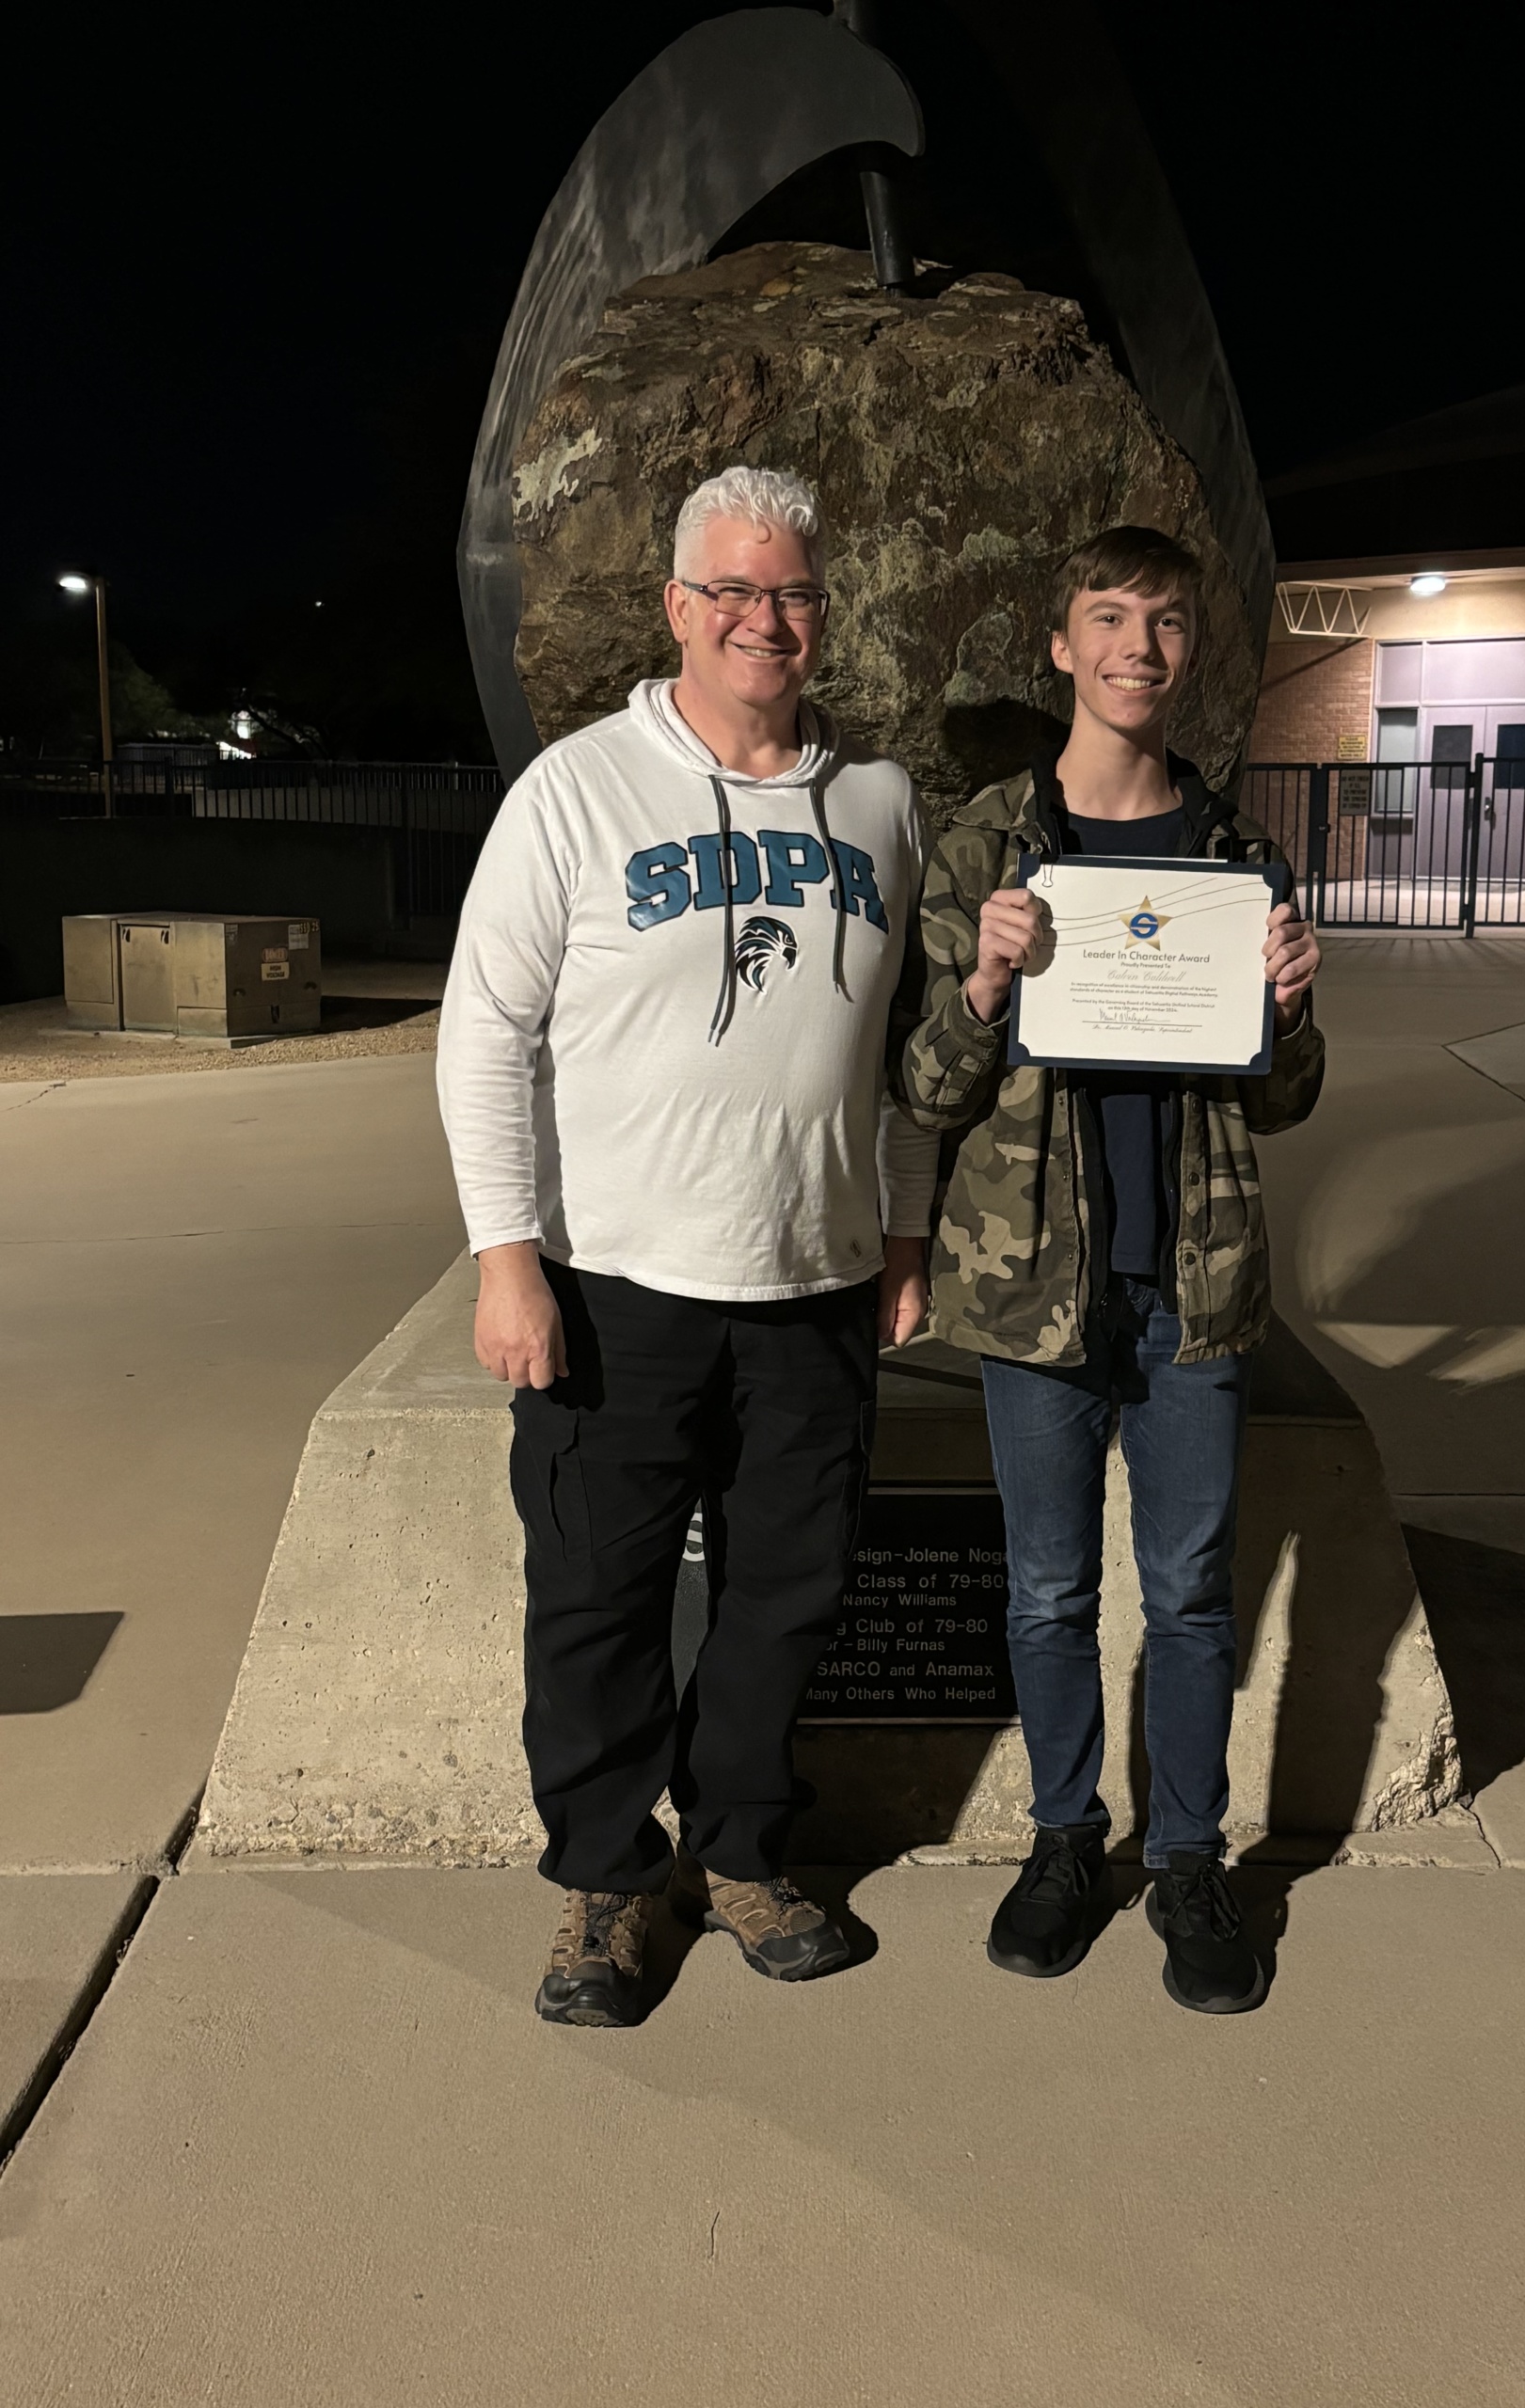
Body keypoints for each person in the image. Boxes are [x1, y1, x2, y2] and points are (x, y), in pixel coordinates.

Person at [438, 466, 936, 2027]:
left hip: (814, 1283)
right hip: (617, 1284)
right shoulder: (579, 791)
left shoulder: (881, 804)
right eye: (731, 591)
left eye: (789, 592)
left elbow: (902, 1047)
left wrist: (901, 1226)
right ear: (677, 608)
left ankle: (739, 1853)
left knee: (786, 1596)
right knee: (596, 1596)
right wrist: (505, 1254)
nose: (762, 619)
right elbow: (482, 1032)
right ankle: (602, 1879)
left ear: (819, 612)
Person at [893, 526, 1324, 2013]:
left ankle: (1191, 1861)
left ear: (1190, 652)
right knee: (1047, 1590)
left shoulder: (1235, 855)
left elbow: (1281, 1100)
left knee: (1195, 1594)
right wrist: (989, 980)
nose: (1140, 646)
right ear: (1063, 647)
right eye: (1110, 618)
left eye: (1166, 623)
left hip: (1193, 1294)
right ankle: (1069, 1839)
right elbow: (932, 1092)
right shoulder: (986, 847)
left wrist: (1289, 1009)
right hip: (1034, 1290)